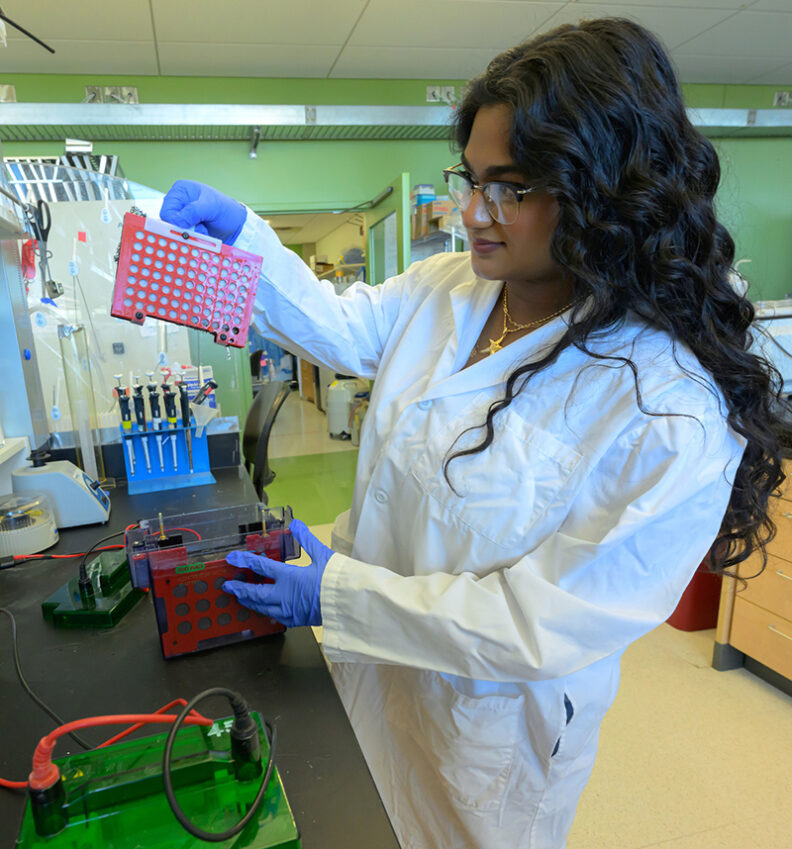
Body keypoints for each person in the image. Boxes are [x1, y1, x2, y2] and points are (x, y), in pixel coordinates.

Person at [159, 18, 785, 849]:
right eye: (473, 179)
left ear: (603, 190)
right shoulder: (450, 285)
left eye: (512, 187)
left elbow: (538, 621)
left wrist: (337, 594)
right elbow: (343, 327)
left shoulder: (667, 405)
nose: (473, 212)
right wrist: (249, 243)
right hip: (367, 666)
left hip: (486, 730)